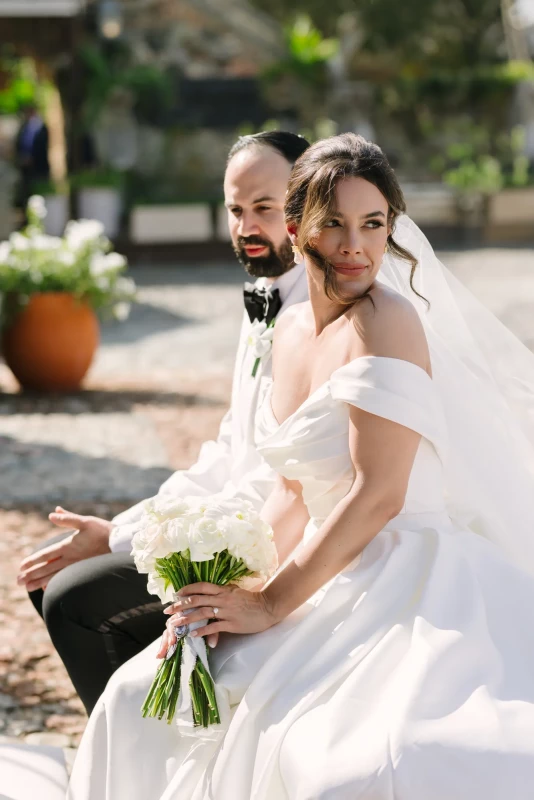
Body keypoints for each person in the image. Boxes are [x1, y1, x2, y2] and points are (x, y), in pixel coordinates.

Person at [68, 132, 534, 800]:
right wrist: (223, 596)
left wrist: (270, 603)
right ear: (298, 231)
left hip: (407, 576)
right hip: (325, 567)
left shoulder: (388, 321)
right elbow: (290, 494)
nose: (356, 246)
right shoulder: (288, 332)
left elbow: (378, 494)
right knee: (133, 697)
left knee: (356, 762)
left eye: (374, 224)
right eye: (334, 225)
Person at [17, 131, 311, 714]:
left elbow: (282, 482)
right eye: (235, 209)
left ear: (305, 209)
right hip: (237, 518)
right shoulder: (265, 297)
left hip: (279, 541)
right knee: (52, 571)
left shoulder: (315, 317)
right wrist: (120, 529)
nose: (246, 226)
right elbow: (229, 451)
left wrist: (138, 541)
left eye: (265, 208)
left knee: (73, 597)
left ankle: (155, 755)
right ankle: (158, 729)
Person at [14, 104, 50, 210]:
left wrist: (32, 158)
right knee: (26, 190)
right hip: (25, 167)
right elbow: (19, 144)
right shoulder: (24, 127)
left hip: (39, 165)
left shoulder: (41, 127)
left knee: (38, 191)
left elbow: (43, 147)